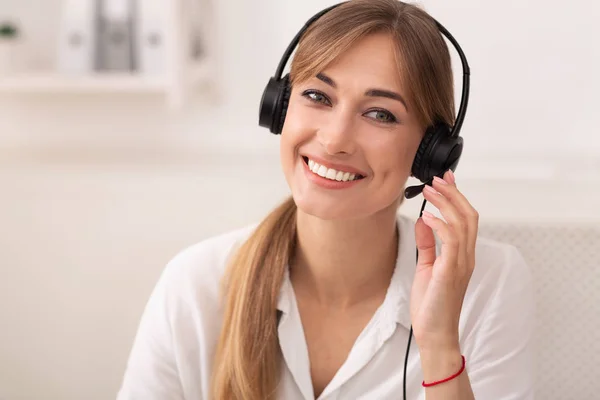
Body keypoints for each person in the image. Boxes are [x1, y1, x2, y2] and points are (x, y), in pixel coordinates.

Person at [117, 1, 535, 399]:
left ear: (430, 151)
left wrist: (441, 345)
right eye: (318, 96)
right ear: (279, 107)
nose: (335, 140)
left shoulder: (488, 285)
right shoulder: (195, 285)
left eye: (380, 114)